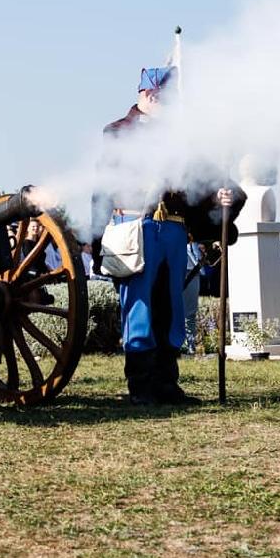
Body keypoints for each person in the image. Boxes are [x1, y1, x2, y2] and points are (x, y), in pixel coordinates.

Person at [99, 66, 239, 403]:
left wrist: (216, 197)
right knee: (140, 311)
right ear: (149, 95)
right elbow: (105, 185)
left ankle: (166, 383)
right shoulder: (119, 131)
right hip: (137, 227)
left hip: (174, 230)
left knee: (171, 311)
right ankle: (142, 385)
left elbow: (196, 181)